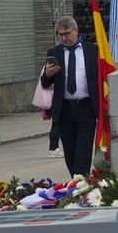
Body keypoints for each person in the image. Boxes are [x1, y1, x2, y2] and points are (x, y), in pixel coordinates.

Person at [40, 16, 99, 177]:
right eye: (60, 34)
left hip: (86, 107)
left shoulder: (91, 50)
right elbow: (45, 84)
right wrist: (47, 74)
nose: (64, 38)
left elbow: (100, 78)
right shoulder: (54, 53)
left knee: (83, 152)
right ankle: (76, 182)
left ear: (76, 30)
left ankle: (81, 182)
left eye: (67, 33)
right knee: (70, 153)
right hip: (64, 109)